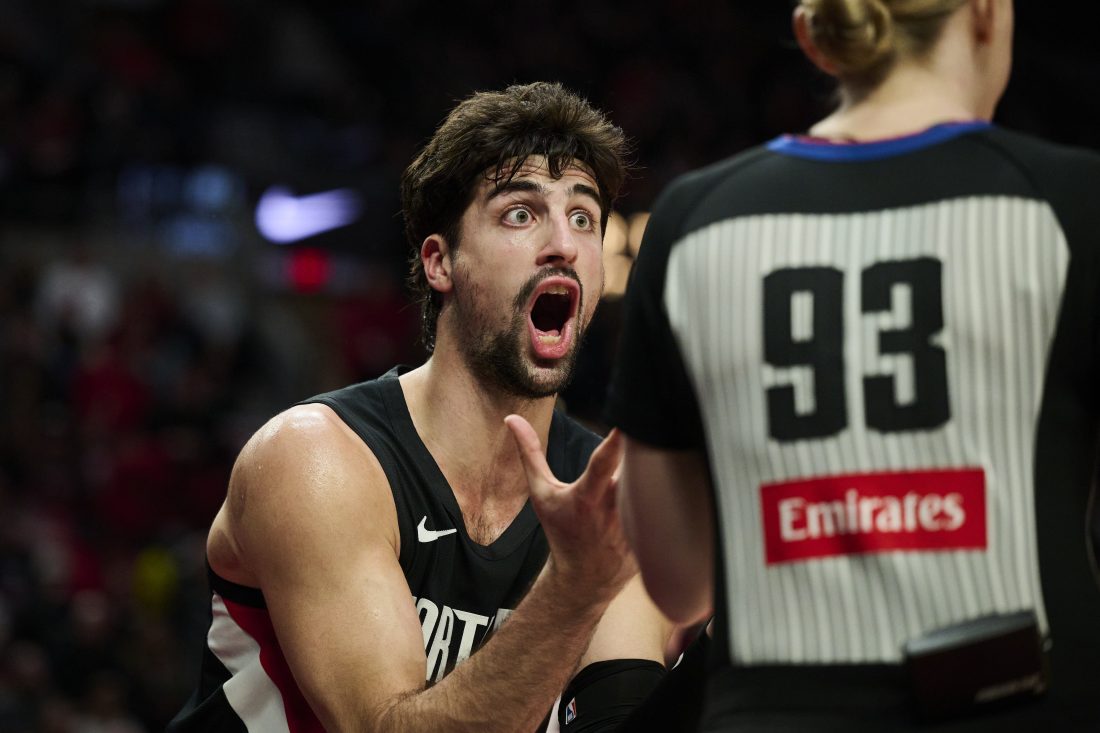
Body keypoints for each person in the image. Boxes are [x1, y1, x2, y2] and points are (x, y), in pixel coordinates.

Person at [606, 0, 1100, 730]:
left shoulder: (692, 221)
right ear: (987, 13)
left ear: (817, 39)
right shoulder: (1076, 203)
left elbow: (679, 583)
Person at [168, 81, 675, 733]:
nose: (564, 244)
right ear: (440, 262)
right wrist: (574, 590)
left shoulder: (610, 495)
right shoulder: (315, 460)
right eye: (521, 214)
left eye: (583, 218)